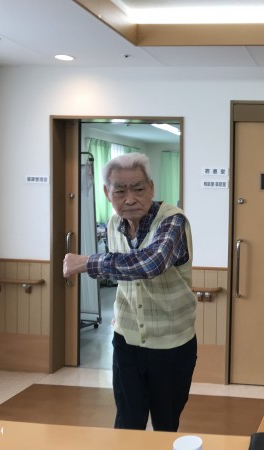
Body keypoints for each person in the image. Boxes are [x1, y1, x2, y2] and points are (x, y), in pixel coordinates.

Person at [63, 152, 197, 432]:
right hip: (126, 339)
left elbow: (151, 263)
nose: (130, 199)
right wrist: (123, 314)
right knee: (127, 422)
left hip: (171, 345)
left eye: (138, 189)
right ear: (107, 193)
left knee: (165, 424)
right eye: (120, 191)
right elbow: (126, 274)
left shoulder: (172, 221)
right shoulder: (114, 224)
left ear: (151, 187)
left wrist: (87, 262)